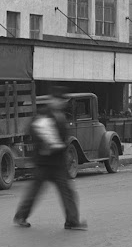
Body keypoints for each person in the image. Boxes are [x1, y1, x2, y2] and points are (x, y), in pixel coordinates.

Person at [14, 88, 87, 230]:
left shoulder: (60, 116)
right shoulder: (43, 115)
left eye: (63, 101)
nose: (61, 103)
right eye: (59, 100)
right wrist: (45, 145)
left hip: (58, 162)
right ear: (53, 100)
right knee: (35, 191)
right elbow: (34, 130)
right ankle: (20, 216)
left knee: (67, 191)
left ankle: (72, 221)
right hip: (44, 161)